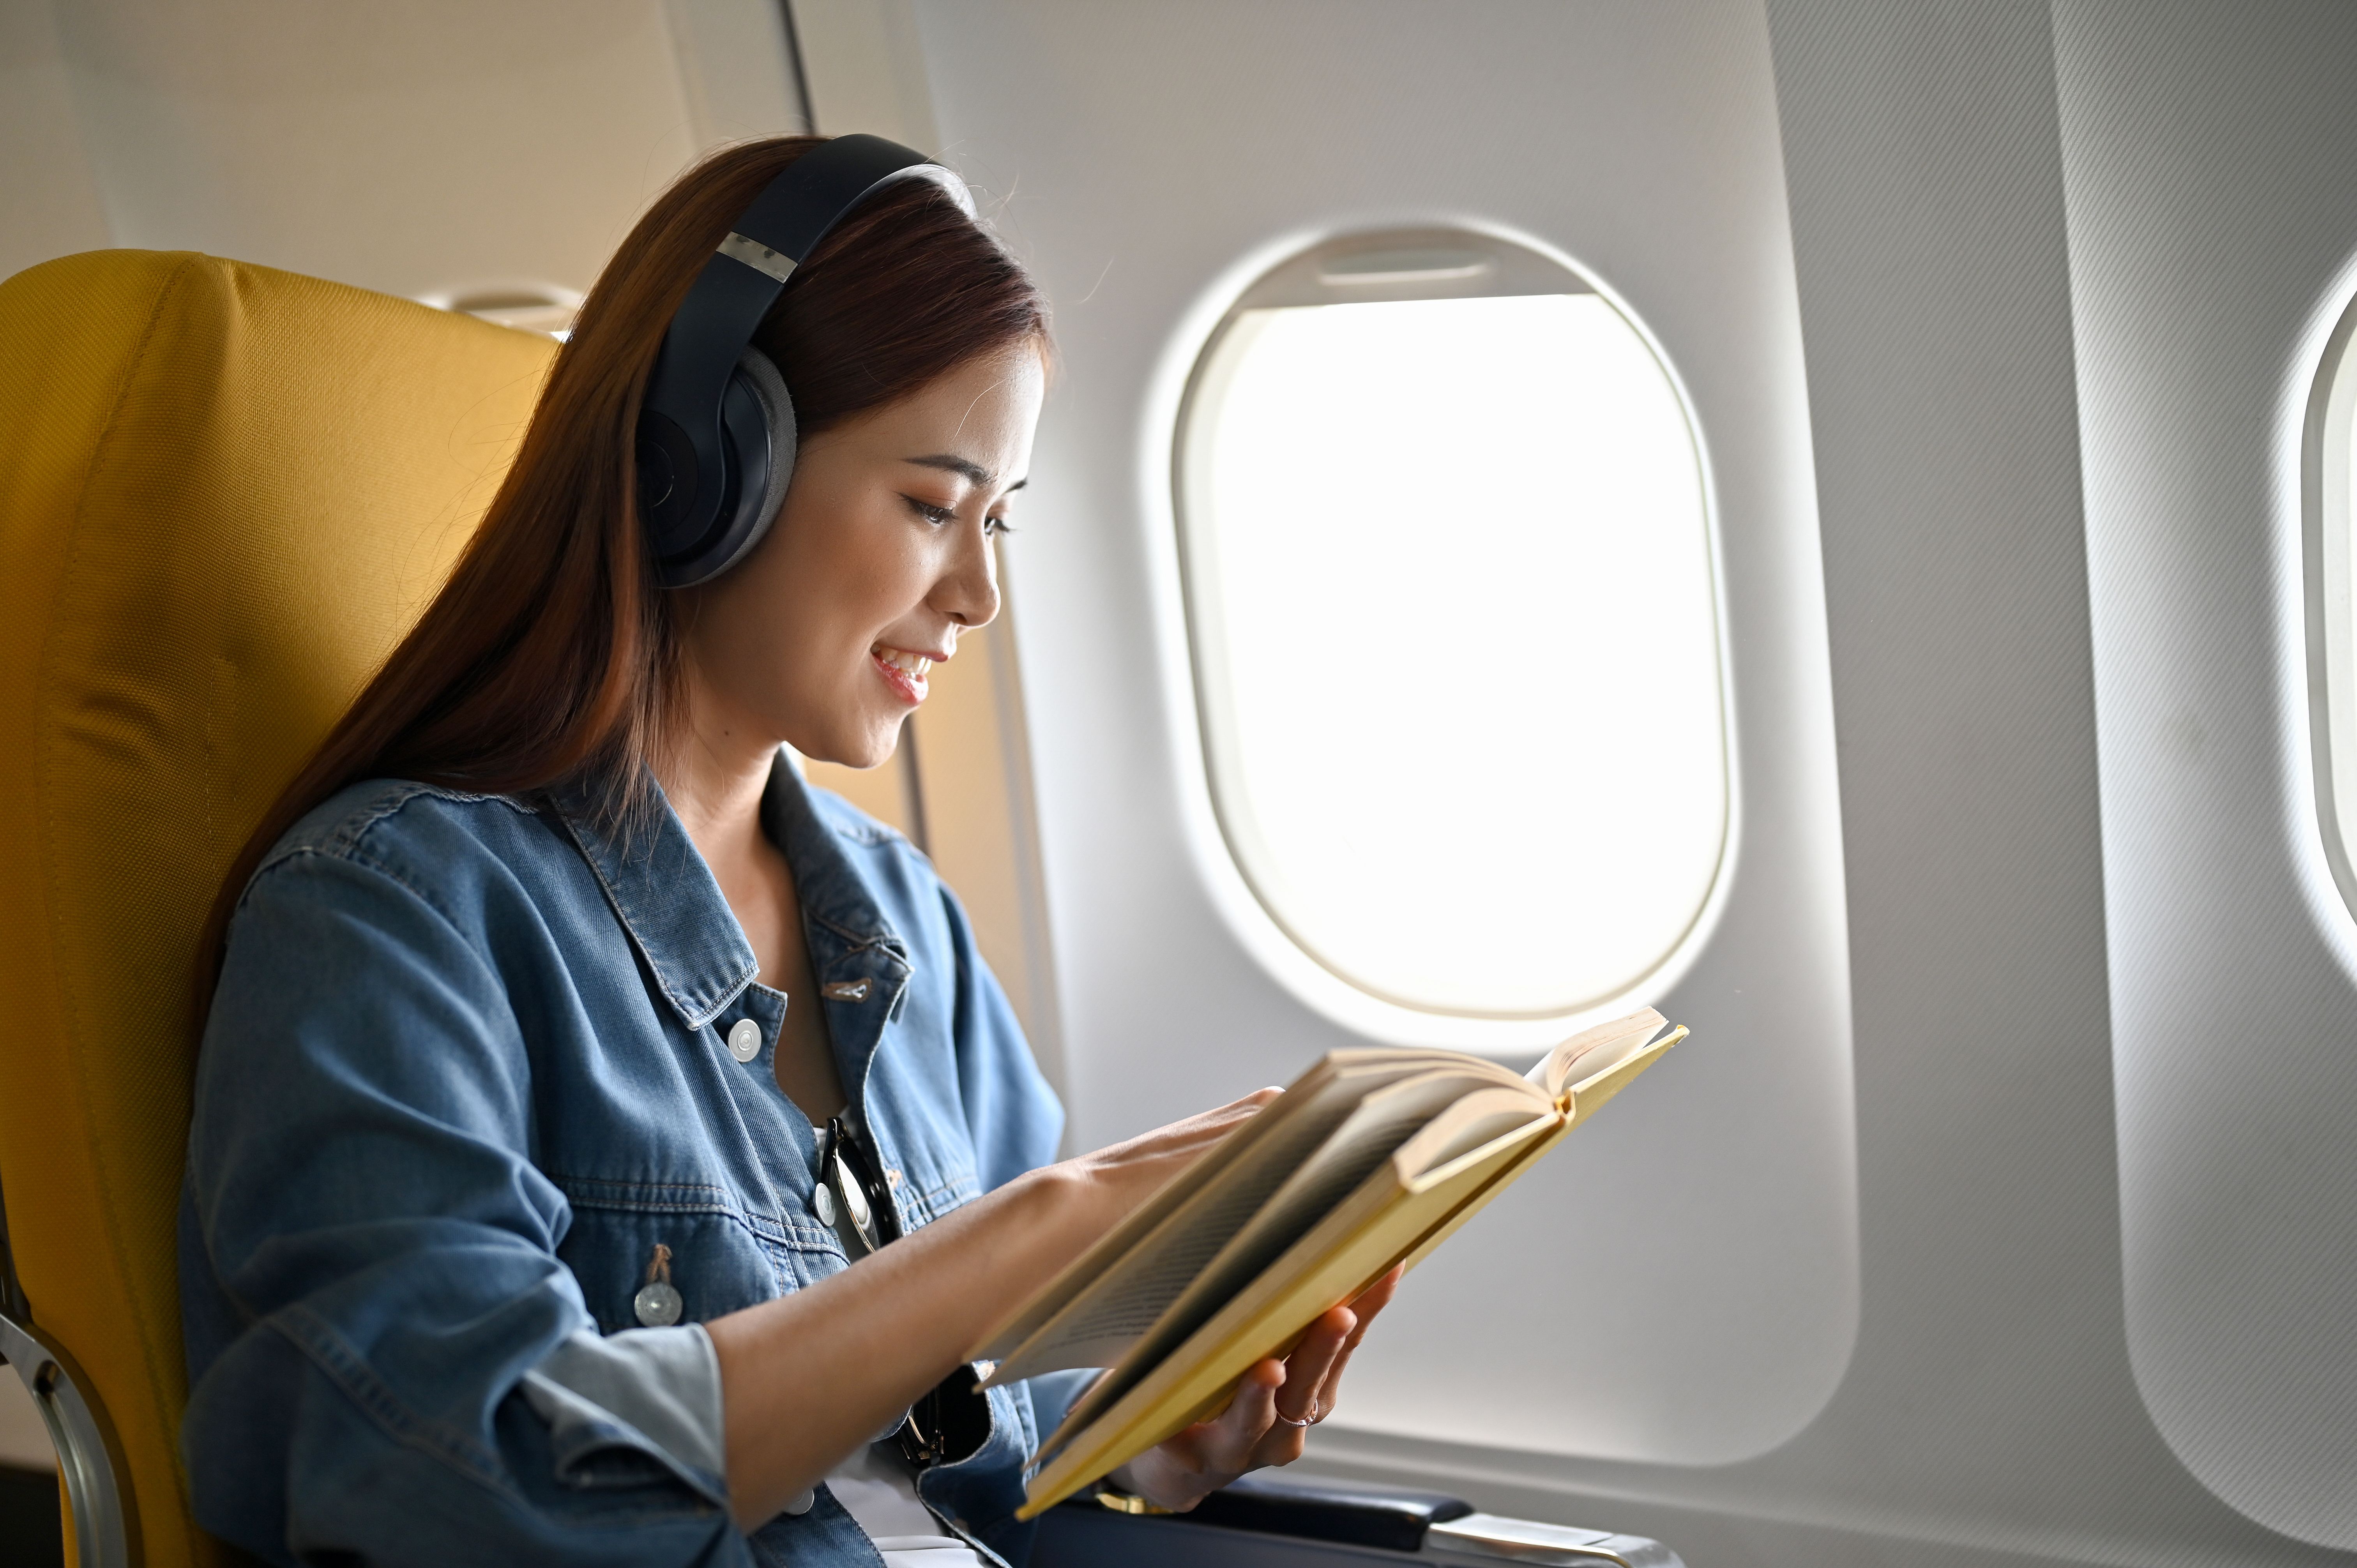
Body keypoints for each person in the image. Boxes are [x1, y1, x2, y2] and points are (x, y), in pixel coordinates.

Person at [177, 134, 1399, 1568]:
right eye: (935, 506)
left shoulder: (900, 922)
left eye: (999, 520)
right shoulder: (394, 916)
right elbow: (447, 1484)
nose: (982, 591)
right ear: (706, 468)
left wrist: (1160, 1430)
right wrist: (1023, 1239)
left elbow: (991, 1443)